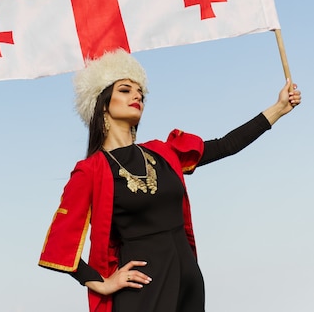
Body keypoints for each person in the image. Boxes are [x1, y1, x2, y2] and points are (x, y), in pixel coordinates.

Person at [38, 49, 301, 312]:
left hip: (189, 282)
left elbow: (225, 145)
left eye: (140, 90)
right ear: (103, 103)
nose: (137, 95)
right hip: (143, 290)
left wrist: (278, 109)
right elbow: (58, 244)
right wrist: (101, 283)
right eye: (125, 89)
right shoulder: (91, 170)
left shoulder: (163, 152)